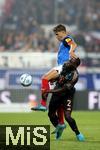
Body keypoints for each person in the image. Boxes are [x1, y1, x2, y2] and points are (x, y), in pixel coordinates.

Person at [31, 24, 78, 112]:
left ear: (63, 32)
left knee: (45, 78)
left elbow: (73, 44)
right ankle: (61, 122)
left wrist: (71, 51)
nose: (56, 36)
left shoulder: (66, 38)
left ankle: (43, 104)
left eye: (57, 34)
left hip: (63, 66)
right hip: (63, 68)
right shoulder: (63, 41)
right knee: (57, 95)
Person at [47, 57, 85, 141]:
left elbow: (64, 89)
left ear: (75, 66)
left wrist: (49, 91)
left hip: (67, 95)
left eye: (71, 62)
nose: (68, 62)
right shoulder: (64, 66)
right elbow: (58, 76)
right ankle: (59, 128)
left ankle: (78, 133)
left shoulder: (75, 75)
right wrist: (54, 79)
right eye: (69, 60)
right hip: (57, 92)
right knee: (51, 114)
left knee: (67, 117)